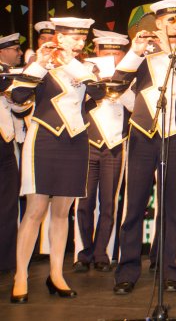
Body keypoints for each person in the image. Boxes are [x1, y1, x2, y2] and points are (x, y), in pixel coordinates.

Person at [112, 0, 176, 295]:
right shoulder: (144, 53)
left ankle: (170, 270)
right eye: (169, 20)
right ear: (158, 23)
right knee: (134, 205)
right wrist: (135, 50)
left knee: (172, 207)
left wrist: (170, 51)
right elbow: (117, 83)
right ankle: (127, 271)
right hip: (143, 132)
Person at [10, 17, 101, 303]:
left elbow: (98, 93)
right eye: (74, 37)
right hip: (44, 139)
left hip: (76, 141)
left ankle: (57, 274)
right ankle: (21, 275)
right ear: (59, 37)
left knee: (62, 211)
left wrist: (70, 63)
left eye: (82, 37)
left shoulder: (86, 67)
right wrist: (39, 64)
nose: (80, 42)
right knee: (35, 210)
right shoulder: (39, 64)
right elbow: (18, 97)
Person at [73, 30, 133, 273]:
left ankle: (102, 254)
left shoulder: (130, 75)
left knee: (108, 203)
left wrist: (120, 89)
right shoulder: (83, 73)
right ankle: (83, 253)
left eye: (115, 53)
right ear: (96, 52)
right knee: (84, 203)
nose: (110, 57)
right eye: (105, 52)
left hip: (115, 145)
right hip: (88, 143)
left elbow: (136, 106)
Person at [0, 32, 24, 274]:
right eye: (15, 49)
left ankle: (6, 261)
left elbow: (20, 107)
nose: (19, 53)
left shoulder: (13, 76)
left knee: (8, 204)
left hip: (5, 141)